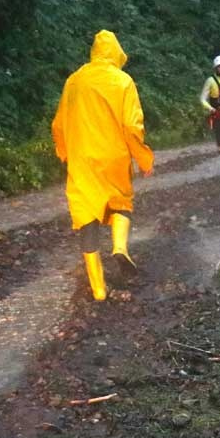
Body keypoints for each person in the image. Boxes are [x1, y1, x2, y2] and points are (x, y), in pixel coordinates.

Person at [51, 30, 154, 302]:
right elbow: (132, 125)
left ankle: (98, 289)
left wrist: (63, 150)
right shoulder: (123, 81)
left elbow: (59, 122)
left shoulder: (74, 81)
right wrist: (143, 157)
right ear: (116, 52)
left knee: (87, 215)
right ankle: (120, 247)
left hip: (82, 158)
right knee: (120, 202)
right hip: (113, 154)